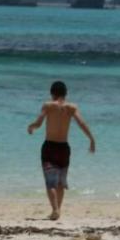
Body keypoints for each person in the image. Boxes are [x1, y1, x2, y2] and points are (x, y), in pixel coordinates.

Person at [27, 80, 96, 221]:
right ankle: (58, 210)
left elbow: (39, 123)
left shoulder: (48, 105)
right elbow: (82, 123)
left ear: (52, 93)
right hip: (64, 148)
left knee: (50, 182)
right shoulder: (72, 107)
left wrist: (31, 127)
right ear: (66, 94)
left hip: (50, 147)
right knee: (60, 182)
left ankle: (55, 209)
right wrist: (91, 139)